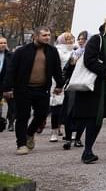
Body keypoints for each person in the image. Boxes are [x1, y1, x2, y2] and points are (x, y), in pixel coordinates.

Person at [2, 26, 65, 155]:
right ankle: (21, 144)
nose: (47, 37)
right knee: (22, 117)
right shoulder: (22, 51)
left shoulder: (52, 51)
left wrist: (59, 85)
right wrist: (7, 88)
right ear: (35, 36)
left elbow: (57, 69)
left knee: (42, 114)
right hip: (23, 89)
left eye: (49, 35)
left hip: (42, 89)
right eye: (44, 35)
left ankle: (30, 133)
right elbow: (11, 70)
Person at [72, 17, 106, 164]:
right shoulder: (97, 40)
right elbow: (89, 60)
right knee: (92, 116)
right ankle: (86, 149)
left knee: (97, 117)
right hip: (93, 85)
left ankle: (86, 148)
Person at [48, 32, 75, 142]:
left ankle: (71, 131)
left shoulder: (76, 50)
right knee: (56, 108)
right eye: (67, 39)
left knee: (71, 108)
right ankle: (54, 131)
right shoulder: (57, 50)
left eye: (71, 38)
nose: (70, 40)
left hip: (72, 81)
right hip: (57, 81)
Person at [0, 36, 11, 132]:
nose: (3, 45)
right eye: (1, 43)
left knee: (11, 105)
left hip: (7, 84)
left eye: (4, 43)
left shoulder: (10, 55)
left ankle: (11, 121)